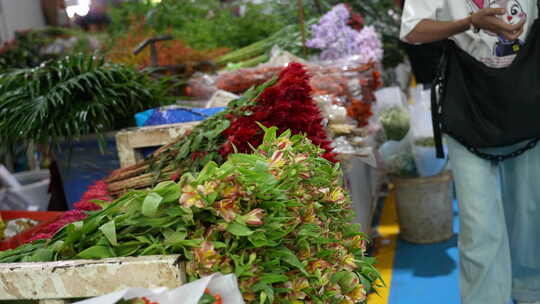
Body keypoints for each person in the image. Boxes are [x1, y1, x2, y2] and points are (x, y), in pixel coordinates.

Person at [401, 1, 540, 304]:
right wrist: (468, 22)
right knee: (479, 226)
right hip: (467, 104)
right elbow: (412, 30)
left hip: (528, 99)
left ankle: (531, 292)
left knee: (531, 215)